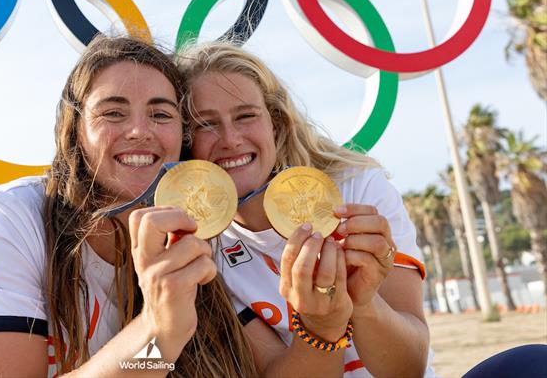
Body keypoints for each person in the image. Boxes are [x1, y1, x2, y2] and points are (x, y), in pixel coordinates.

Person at [0, 36, 256, 377]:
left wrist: (163, 336)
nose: (138, 131)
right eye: (113, 113)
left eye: (161, 115)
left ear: (182, 137)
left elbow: (144, 364)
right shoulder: (7, 221)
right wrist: (155, 327)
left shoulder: (185, 240)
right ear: (74, 131)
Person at [177, 42, 433, 377]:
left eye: (246, 116)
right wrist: (320, 328)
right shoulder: (200, 249)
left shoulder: (358, 189)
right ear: (186, 143)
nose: (231, 138)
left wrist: (364, 303)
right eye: (205, 124)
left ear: (276, 123)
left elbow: (409, 368)